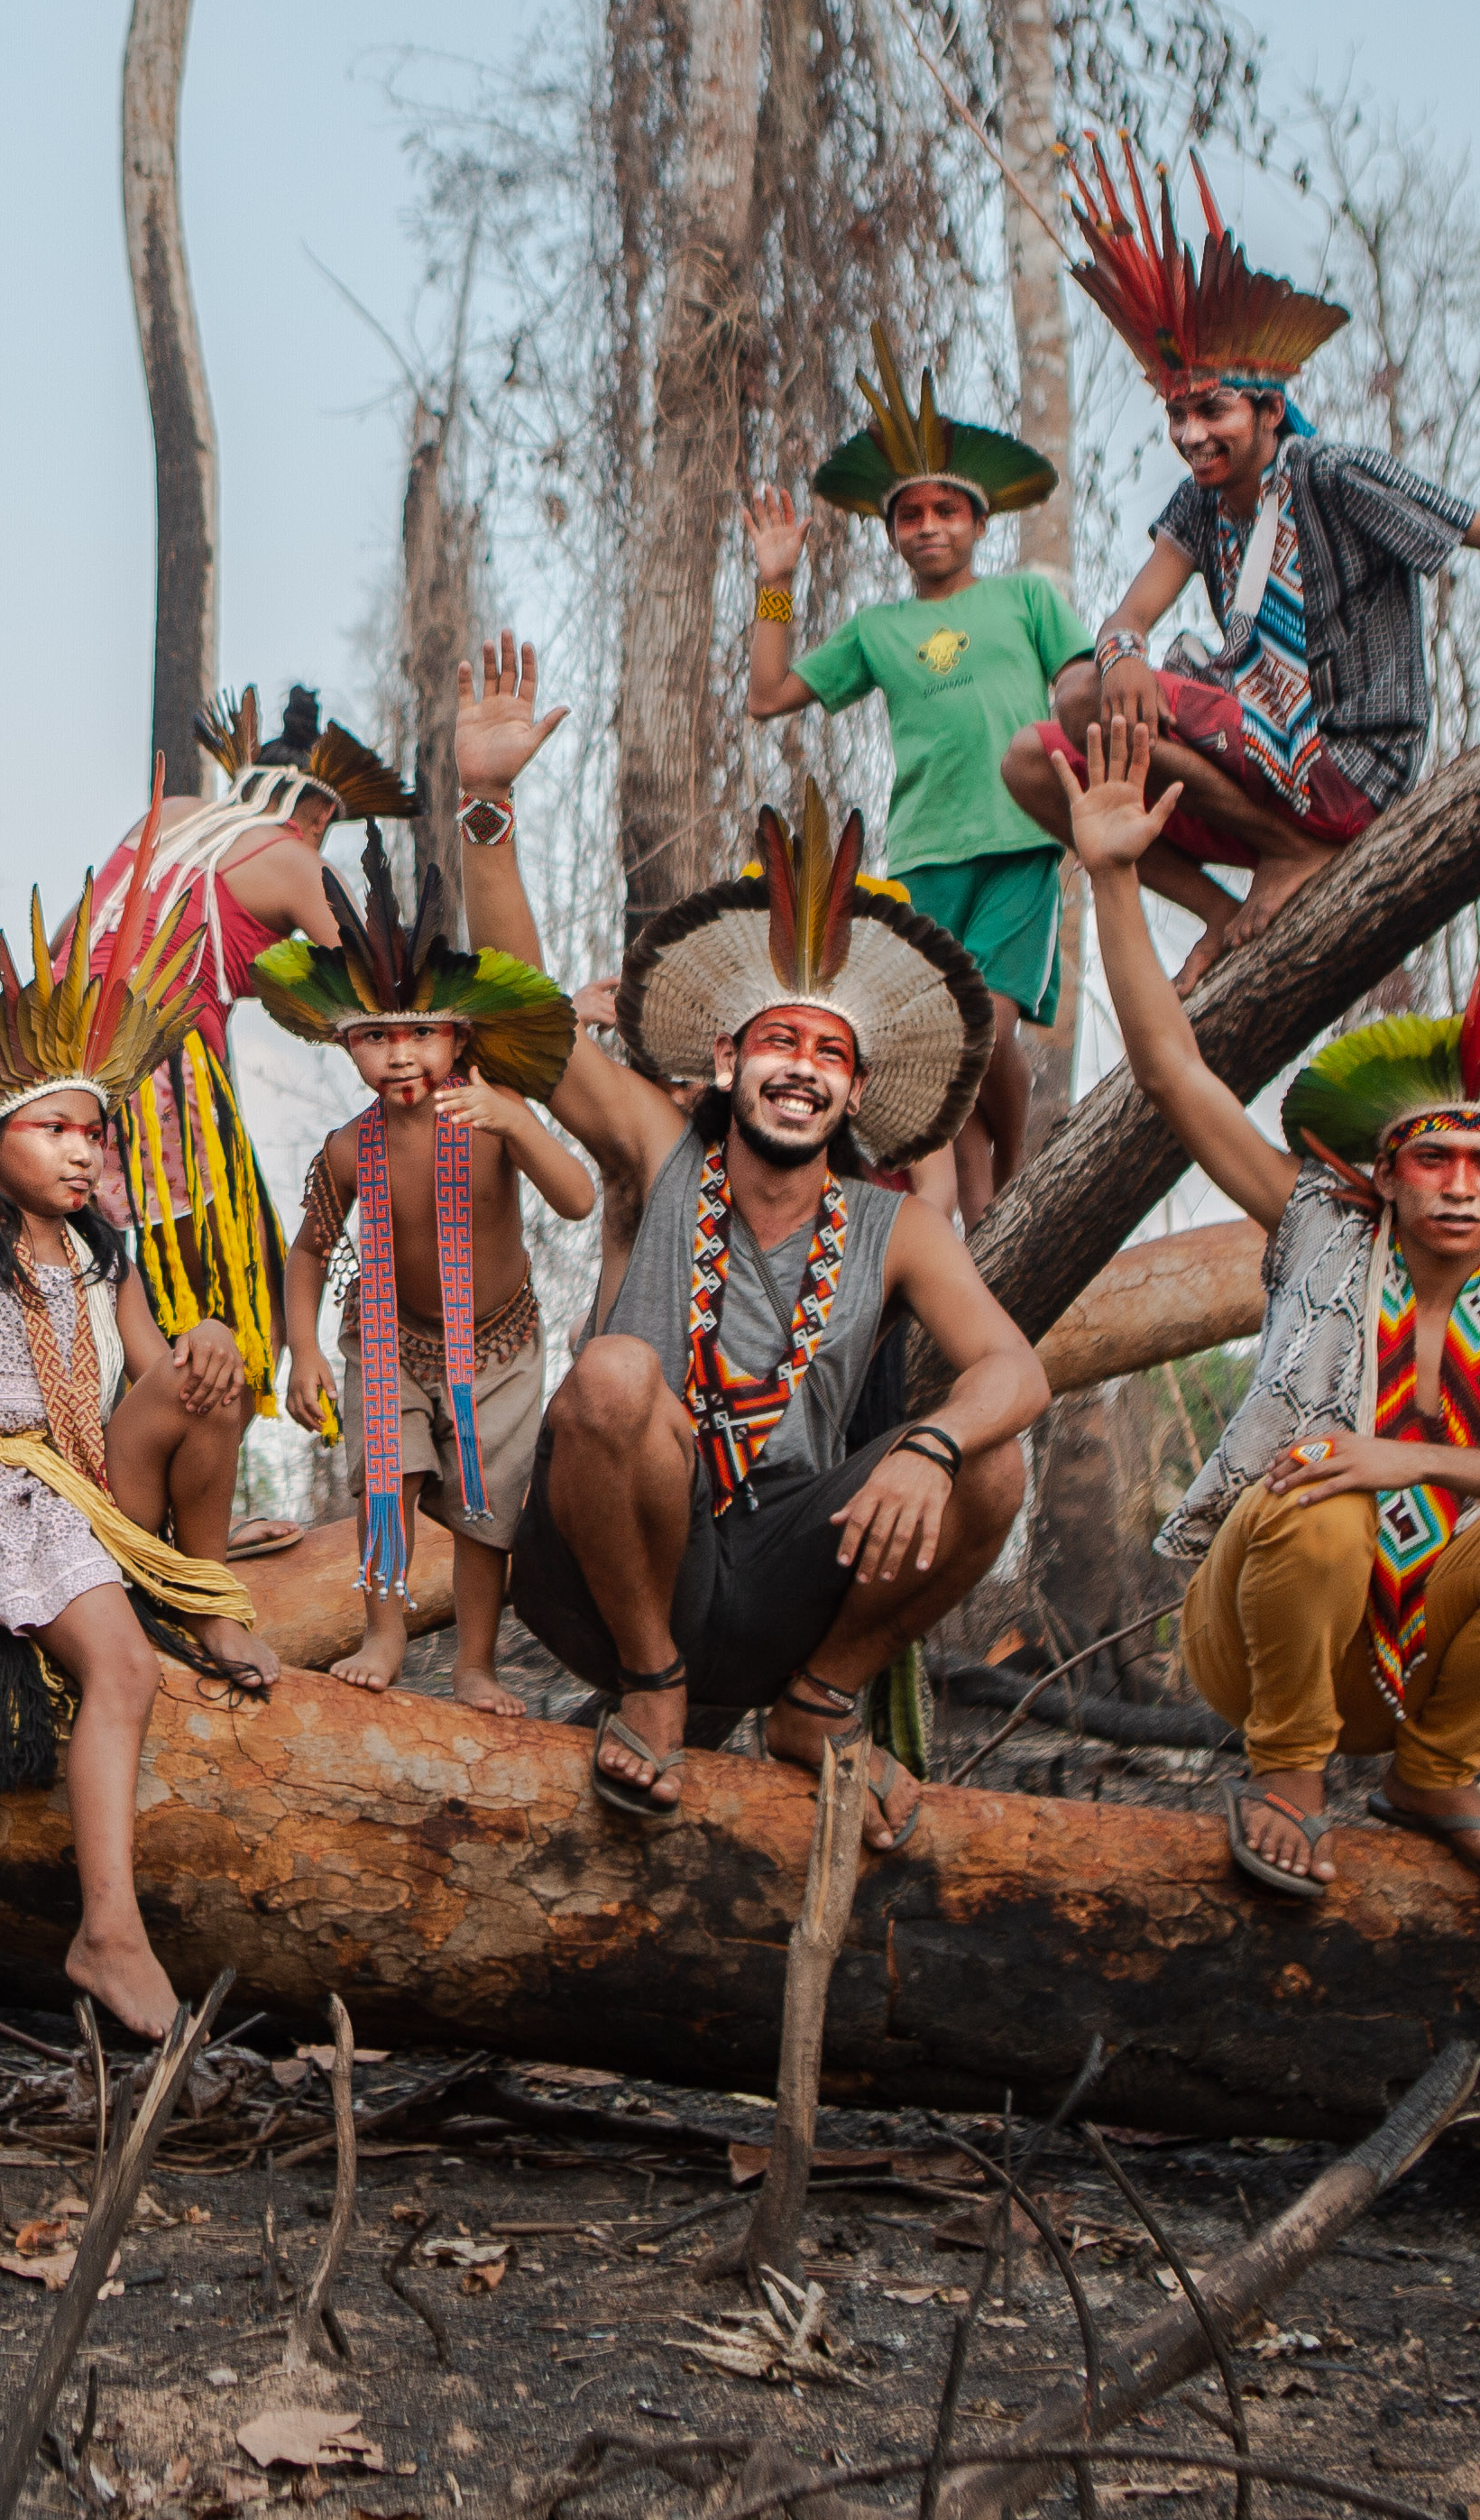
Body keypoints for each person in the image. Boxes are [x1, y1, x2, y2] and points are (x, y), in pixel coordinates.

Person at [445, 634, 1047, 1836]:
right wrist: (489, 808)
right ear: (728, 1058)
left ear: (855, 1090)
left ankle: (820, 1704)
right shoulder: (660, 1156)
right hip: (609, 1563)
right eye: (780, 1042)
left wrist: (929, 1452)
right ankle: (654, 1689)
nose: (801, 1071)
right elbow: (525, 1009)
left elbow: (1014, 1369)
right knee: (617, 1375)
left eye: (829, 1054)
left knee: (992, 1457)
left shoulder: (895, 1226)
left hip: (783, 1576)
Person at [1067, 704, 1480, 1905]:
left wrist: (1409, 1461)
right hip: (1267, 1626)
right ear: (1382, 1172)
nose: (1457, 1183)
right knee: (1323, 1492)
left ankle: (1438, 1775)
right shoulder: (1321, 1230)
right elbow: (1175, 1073)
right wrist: (1116, 879)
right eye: (1432, 1159)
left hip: (1422, 1653)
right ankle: (1288, 1776)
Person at [1000, 143, 1480, 979]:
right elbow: (1130, 614)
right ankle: (1222, 908)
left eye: (1211, 409)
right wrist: (1123, 649)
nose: (1190, 435)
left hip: (1350, 765)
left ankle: (1294, 852)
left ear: (1268, 407)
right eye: (1175, 416)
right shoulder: (1200, 502)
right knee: (1030, 754)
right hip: (1251, 757)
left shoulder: (1332, 475)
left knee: (1089, 693)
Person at [0, 855, 265, 2036]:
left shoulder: (102, 1254)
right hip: (6, 1491)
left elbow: (158, 1386)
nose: (84, 1150)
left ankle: (210, 1592)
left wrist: (215, 1333)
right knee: (123, 1672)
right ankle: (108, 1934)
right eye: (54, 1128)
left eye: (96, 1130)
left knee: (204, 1367)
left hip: (98, 1484)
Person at [735, 333, 1087, 1219]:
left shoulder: (1028, 599)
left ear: (978, 521)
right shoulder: (877, 629)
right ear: (891, 532)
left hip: (1018, 839)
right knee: (939, 1051)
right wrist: (775, 581)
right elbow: (768, 693)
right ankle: (976, 1217)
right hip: (926, 851)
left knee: (985, 1028)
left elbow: (1081, 678)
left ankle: (1011, 1170)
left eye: (947, 511)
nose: (929, 526)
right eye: (910, 515)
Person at [262, 833, 592, 1706]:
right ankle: (383, 1634)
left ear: (459, 1034)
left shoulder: (492, 1115)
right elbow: (308, 1254)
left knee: (491, 1515)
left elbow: (579, 1200)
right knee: (389, 1477)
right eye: (374, 1037)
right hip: (388, 1339)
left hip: (501, 1345)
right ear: (343, 1046)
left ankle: (476, 1662)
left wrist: (518, 1124)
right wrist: (303, 1351)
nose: (399, 1054)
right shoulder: (346, 1150)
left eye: (420, 1032)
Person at [78, 685, 401, 1565]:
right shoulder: (295, 859)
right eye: (323, 830)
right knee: (211, 1284)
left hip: (55, 1070)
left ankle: (155, 1511)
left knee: (109, 1276)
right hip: (158, 1078)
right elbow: (380, 978)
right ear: (309, 813)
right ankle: (181, 1533)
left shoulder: (172, 814)